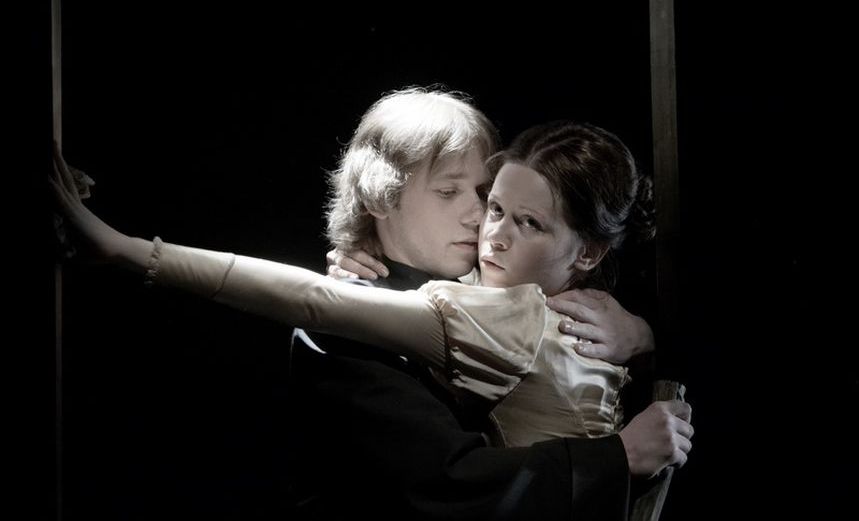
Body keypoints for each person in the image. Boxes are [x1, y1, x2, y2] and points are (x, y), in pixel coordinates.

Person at [51, 88, 692, 520]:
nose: (481, 220)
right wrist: (613, 459)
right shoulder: (346, 329)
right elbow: (446, 483)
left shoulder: (502, 283)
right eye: (451, 193)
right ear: (383, 196)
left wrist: (639, 332)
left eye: (483, 194)